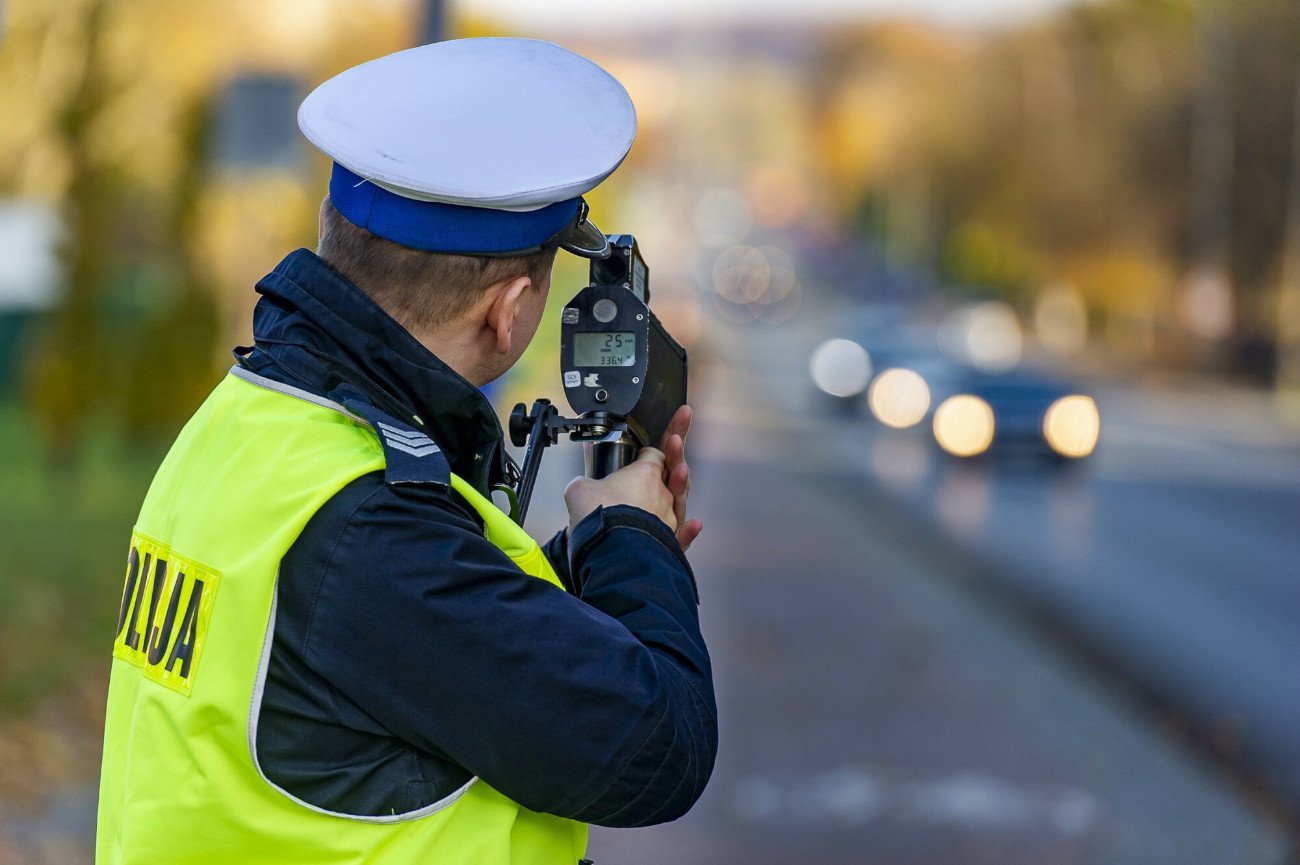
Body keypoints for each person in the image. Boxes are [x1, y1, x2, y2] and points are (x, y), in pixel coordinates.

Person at [96, 38, 716, 865]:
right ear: (509, 310)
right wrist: (634, 543)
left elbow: (377, 669)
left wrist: (597, 557)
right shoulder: (374, 529)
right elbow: (657, 749)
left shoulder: (250, 420)